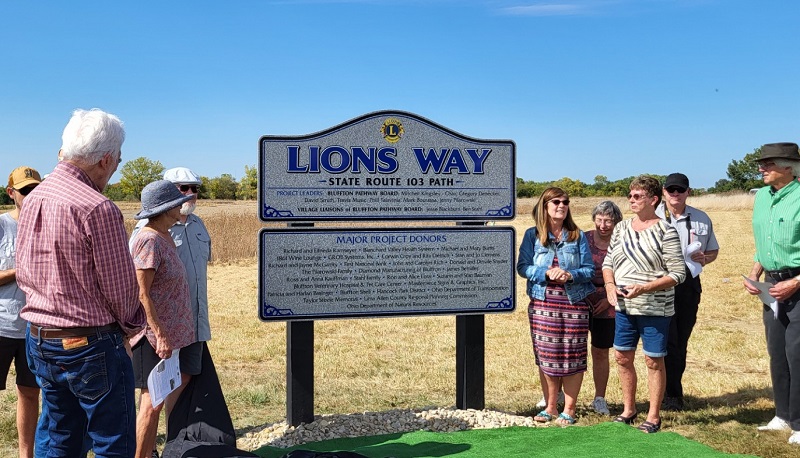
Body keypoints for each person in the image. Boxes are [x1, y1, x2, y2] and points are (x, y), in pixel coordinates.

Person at [16, 108, 145, 457]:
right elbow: (121, 290)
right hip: (90, 343)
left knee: (59, 434)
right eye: (118, 160)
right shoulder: (97, 207)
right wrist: (133, 330)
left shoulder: (33, 199)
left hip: (40, 337)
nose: (116, 167)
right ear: (105, 160)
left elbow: (25, 269)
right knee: (111, 441)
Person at [602, 175, 685, 434]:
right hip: (625, 308)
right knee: (622, 357)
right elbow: (608, 263)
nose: (632, 200)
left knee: (653, 361)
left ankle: (653, 415)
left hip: (655, 308)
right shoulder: (621, 228)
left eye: (638, 196)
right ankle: (629, 409)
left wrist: (644, 288)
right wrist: (609, 286)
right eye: (630, 195)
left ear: (653, 199)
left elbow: (678, 273)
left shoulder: (666, 230)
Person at [517, 187, 595, 426]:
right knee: (547, 356)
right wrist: (546, 273)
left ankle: (569, 410)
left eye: (565, 202)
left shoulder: (577, 236)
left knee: (572, 355)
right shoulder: (532, 235)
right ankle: (550, 407)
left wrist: (569, 274)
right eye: (556, 202)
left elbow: (590, 270)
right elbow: (523, 267)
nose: (562, 205)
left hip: (573, 304)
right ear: (545, 206)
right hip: (543, 303)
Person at [130, 167, 212, 392]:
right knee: (154, 393)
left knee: (181, 380)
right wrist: (157, 331)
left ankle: (177, 427)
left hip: (192, 322)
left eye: (194, 188)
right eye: (183, 188)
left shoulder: (198, 225)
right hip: (161, 328)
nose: (190, 194)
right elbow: (139, 287)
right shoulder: (148, 234)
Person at [129, 180, 195, 458]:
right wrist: (161, 334)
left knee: (157, 401)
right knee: (150, 403)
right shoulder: (148, 239)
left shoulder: (165, 234)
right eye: (176, 203)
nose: (181, 206)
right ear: (164, 209)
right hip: (152, 337)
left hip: (169, 336)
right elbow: (142, 293)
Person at [743, 142, 800, 445]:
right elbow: (766, 243)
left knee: (797, 353)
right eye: (761, 163)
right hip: (771, 287)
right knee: (777, 352)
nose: (761, 169)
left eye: (768, 163)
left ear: (790, 167)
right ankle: (783, 415)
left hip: (797, 286)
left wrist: (796, 282)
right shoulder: (762, 197)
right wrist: (755, 272)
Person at [655, 173, 719, 411]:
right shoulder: (652, 217)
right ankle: (667, 394)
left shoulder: (702, 218)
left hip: (689, 285)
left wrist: (706, 258)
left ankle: (673, 392)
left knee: (681, 340)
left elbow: (713, 251)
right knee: (665, 341)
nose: (675, 194)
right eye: (671, 190)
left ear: (688, 192)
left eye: (680, 190)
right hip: (660, 283)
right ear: (663, 192)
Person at [1, 166, 41, 458]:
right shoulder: (2, 226)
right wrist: (20, 271)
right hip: (2, 325)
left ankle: (26, 454)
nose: (31, 196)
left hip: (35, 328)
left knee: (30, 393)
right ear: (11, 192)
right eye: (25, 190)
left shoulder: (46, 224)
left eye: (35, 189)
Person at [584, 200, 623, 416]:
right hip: (581, 301)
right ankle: (560, 394)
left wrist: (609, 299)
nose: (603, 225)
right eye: (599, 220)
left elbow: (628, 272)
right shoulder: (583, 238)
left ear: (616, 222)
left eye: (608, 221)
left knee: (600, 351)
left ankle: (599, 398)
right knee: (571, 350)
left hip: (609, 303)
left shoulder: (623, 241)